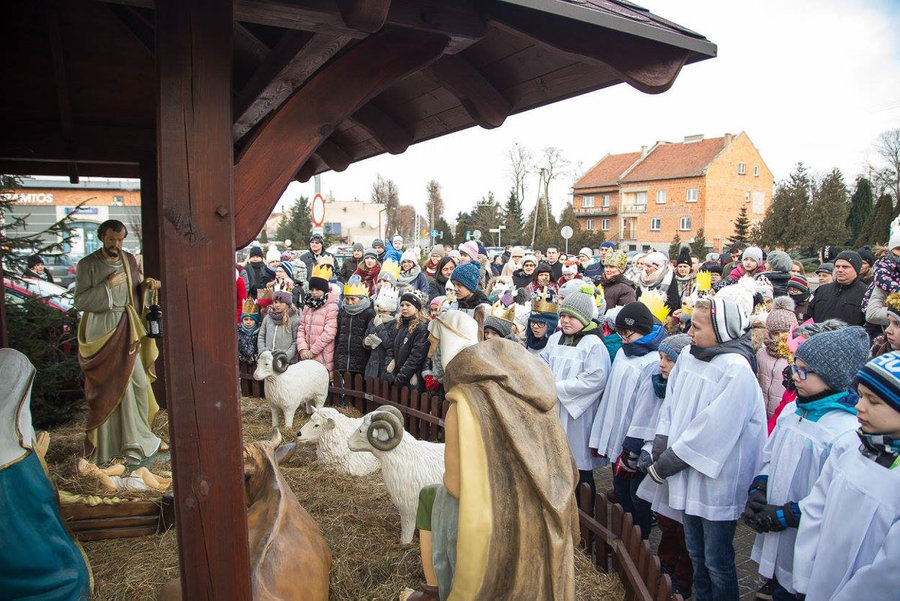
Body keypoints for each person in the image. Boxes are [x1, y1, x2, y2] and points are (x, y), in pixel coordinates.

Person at [408, 314, 579, 600]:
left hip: (487, 524)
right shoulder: (537, 406)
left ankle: (435, 589)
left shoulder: (463, 405)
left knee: (431, 498)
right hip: (540, 516)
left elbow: (455, 485)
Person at [644, 295, 766, 601]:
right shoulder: (688, 355)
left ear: (721, 330)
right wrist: (662, 437)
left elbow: (713, 429)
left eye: (697, 327)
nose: (690, 332)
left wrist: (669, 460)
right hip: (688, 472)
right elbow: (671, 402)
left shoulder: (736, 369)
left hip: (716, 479)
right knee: (696, 552)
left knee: (717, 560)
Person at [745, 326, 869, 601]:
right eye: (795, 367)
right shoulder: (792, 410)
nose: (794, 377)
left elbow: (832, 497)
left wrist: (787, 515)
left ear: (832, 377)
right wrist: (759, 488)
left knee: (797, 586)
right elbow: (770, 455)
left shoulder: (844, 431)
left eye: (804, 370)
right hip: (775, 526)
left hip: (807, 539)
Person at [791, 351, 900, 600]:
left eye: (874, 401)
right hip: (819, 581)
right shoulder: (851, 443)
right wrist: (805, 576)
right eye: (861, 396)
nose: (859, 406)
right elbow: (817, 507)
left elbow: (889, 572)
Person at [74, 219, 164, 464]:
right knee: (110, 386)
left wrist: (146, 286)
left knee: (136, 381)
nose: (116, 244)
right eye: (112, 239)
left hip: (129, 327)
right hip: (103, 331)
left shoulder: (128, 259)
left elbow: (134, 292)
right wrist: (107, 287)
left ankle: (139, 437)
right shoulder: (87, 264)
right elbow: (80, 301)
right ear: (102, 237)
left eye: (120, 239)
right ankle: (111, 447)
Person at [589, 302, 666, 539]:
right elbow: (613, 393)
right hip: (617, 431)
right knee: (621, 490)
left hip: (634, 439)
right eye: (619, 332)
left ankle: (638, 538)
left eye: (627, 333)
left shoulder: (653, 360)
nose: (622, 338)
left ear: (643, 330)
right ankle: (623, 535)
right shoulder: (624, 352)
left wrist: (633, 443)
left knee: (636, 494)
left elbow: (647, 406)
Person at [636, 333, 694, 597]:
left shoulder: (687, 392)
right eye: (661, 357)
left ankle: (681, 582)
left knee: (683, 534)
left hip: (679, 469)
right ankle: (664, 573)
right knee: (668, 526)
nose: (662, 364)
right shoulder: (662, 384)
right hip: (661, 466)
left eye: (669, 360)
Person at [540, 290, 610, 509]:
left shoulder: (593, 344)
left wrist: (556, 388)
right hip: (554, 409)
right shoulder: (554, 339)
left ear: (584, 318)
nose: (565, 320)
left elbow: (595, 379)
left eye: (571, 317)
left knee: (578, 466)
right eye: (563, 316)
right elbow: (542, 364)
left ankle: (584, 512)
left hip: (577, 415)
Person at [756, 297, 799, 418]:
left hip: (785, 413)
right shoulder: (761, 353)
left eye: (785, 332)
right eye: (775, 333)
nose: (780, 337)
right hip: (762, 410)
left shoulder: (797, 356)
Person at [296, 265, 339, 374]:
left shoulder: (331, 306)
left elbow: (329, 333)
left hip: (322, 355)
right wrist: (303, 349)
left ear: (324, 290)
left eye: (317, 289)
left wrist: (312, 351)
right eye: (312, 289)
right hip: (306, 356)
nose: (314, 292)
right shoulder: (307, 306)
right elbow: (301, 328)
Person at [808, 250, 867, 325]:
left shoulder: (865, 293)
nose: (840, 270)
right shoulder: (822, 290)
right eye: (837, 266)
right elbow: (809, 316)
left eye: (845, 267)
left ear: (856, 269)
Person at [384, 292, 430, 390]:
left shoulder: (422, 327)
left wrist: (400, 378)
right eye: (402, 305)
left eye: (408, 305)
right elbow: (390, 349)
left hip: (412, 378)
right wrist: (390, 372)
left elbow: (416, 357)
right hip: (396, 374)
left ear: (417, 308)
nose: (404, 308)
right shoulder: (398, 324)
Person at [334, 276, 375, 376]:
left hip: (360, 362)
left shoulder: (369, 313)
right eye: (347, 299)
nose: (349, 302)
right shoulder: (343, 312)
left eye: (353, 299)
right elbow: (338, 335)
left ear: (361, 299)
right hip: (342, 361)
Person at [257, 281, 301, 364]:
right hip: (268, 359)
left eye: (281, 302)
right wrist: (263, 351)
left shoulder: (294, 319)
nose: (277, 305)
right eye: (275, 302)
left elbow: (295, 341)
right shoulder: (268, 317)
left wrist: (286, 357)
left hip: (285, 362)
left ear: (287, 304)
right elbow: (261, 336)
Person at [363, 286, 398, 380]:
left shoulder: (394, 323)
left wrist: (379, 326)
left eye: (384, 311)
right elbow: (366, 336)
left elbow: (389, 344)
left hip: (384, 365)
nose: (380, 313)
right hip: (372, 365)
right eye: (379, 311)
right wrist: (366, 342)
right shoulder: (373, 321)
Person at [450, 262, 490, 340]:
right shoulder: (454, 305)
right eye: (454, 285)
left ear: (470, 285)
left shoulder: (484, 308)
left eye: (459, 285)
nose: (455, 289)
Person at [525, 288, 559, 356]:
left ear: (551, 325)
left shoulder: (556, 347)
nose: (535, 326)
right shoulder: (525, 341)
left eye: (541, 323)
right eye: (533, 322)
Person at [238, 297, 261, 363]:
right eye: (246, 319)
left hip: (256, 363)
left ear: (255, 320)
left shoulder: (259, 332)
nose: (248, 322)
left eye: (251, 319)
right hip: (242, 363)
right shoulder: (238, 331)